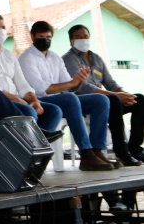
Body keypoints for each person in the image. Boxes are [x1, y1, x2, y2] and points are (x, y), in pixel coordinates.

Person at [17, 21, 113, 171]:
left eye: (48, 37)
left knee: (101, 100)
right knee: (70, 99)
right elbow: (43, 89)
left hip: (63, 99)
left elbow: (70, 86)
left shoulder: (55, 57)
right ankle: (86, 152)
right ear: (32, 36)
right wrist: (71, 84)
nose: (45, 40)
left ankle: (97, 150)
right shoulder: (26, 58)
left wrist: (79, 81)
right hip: (40, 101)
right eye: (41, 36)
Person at [0, 13, 63, 135]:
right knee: (29, 111)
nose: (1, 31)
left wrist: (34, 100)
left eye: (3, 27)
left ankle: (37, 143)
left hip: (18, 99)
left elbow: (22, 83)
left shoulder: (9, 55)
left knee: (54, 111)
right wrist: (17, 99)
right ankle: (33, 144)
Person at [62, 24, 144, 166]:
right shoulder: (69, 58)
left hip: (107, 100)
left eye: (85, 36)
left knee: (140, 99)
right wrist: (116, 95)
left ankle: (135, 148)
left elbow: (110, 83)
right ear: (71, 41)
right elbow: (83, 88)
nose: (83, 39)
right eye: (78, 37)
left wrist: (125, 95)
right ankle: (121, 151)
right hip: (85, 102)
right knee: (113, 100)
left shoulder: (96, 58)